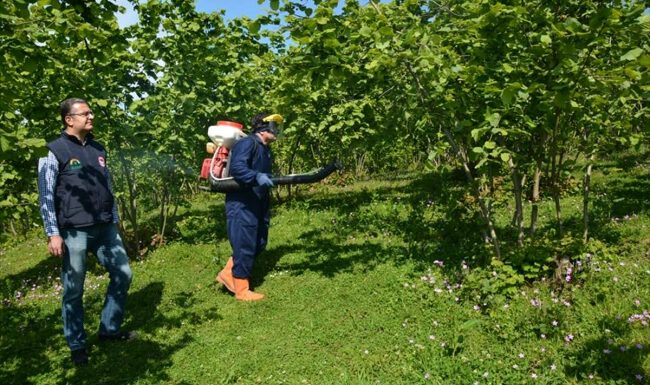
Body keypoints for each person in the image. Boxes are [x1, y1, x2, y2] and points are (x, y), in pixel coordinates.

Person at [37, 98, 135, 366]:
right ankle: (77, 344)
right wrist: (52, 233)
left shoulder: (97, 148)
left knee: (123, 274)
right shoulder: (53, 152)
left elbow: (108, 187)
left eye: (91, 112)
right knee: (73, 289)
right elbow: (46, 196)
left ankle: (109, 329)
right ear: (69, 119)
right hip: (73, 231)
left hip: (104, 227)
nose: (91, 117)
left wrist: (114, 221)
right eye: (85, 113)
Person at [215, 112, 282, 301]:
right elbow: (237, 168)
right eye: (274, 126)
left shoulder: (265, 148)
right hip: (242, 202)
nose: (277, 131)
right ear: (263, 127)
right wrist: (256, 177)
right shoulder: (248, 143)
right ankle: (241, 289)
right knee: (245, 243)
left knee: (259, 241)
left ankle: (228, 273)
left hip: (257, 201)